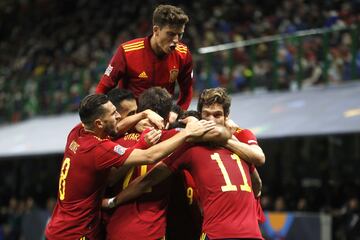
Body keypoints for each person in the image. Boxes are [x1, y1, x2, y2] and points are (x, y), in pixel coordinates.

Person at [44, 94, 215, 240]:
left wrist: (143, 114)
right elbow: (150, 156)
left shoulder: (77, 132)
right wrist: (187, 133)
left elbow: (116, 128)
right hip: (75, 233)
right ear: (99, 123)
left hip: (58, 226)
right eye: (113, 114)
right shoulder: (98, 150)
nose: (119, 116)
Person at [106, 88, 265, 239]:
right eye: (206, 115)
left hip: (237, 233)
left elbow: (258, 172)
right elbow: (148, 179)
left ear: (226, 117)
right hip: (209, 231)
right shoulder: (188, 145)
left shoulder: (241, 143)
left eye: (217, 115)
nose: (211, 120)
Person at [96, 4, 194, 110]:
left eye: (180, 35)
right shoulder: (127, 51)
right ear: (156, 30)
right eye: (170, 34)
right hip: (132, 119)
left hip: (163, 119)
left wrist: (177, 114)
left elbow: (187, 92)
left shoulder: (183, 54)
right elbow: (103, 88)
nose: (176, 40)